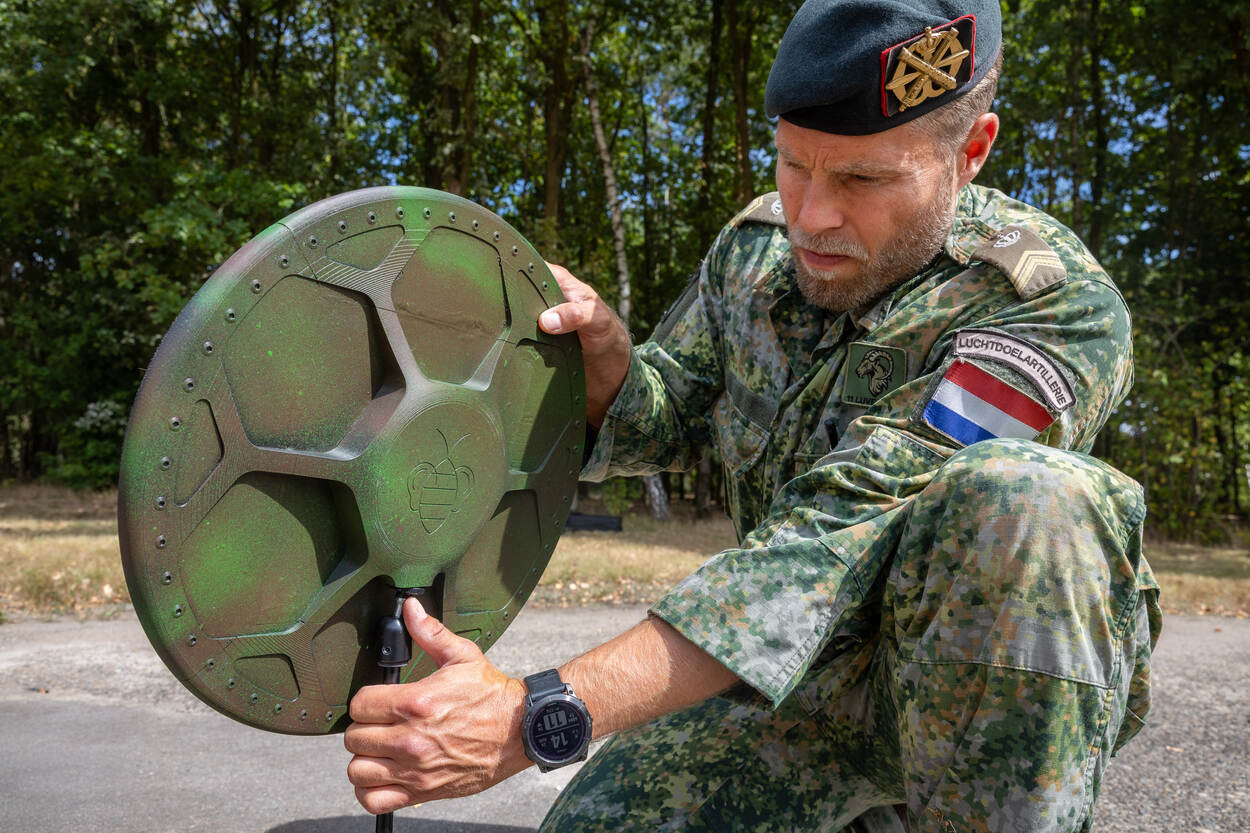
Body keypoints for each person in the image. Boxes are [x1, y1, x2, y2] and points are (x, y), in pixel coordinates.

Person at [344, 0, 1161, 829]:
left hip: (963, 697)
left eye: (863, 179)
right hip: (786, 686)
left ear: (971, 152)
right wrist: (607, 368)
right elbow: (666, 419)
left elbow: (838, 534)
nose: (811, 216)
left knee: (1031, 500)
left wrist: (537, 714)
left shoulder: (1047, 304)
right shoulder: (756, 255)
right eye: (793, 164)